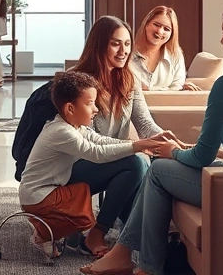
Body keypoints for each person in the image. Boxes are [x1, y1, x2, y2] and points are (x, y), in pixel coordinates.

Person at [82, 2, 223, 275]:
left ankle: (144, 265)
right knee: (157, 169)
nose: (221, 40)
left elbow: (203, 157)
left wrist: (173, 152)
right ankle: (129, 256)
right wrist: (174, 146)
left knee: (158, 170)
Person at [19, 71, 167, 257]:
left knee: (133, 163)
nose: (96, 109)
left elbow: (101, 141)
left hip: (50, 188)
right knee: (130, 166)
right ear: (70, 109)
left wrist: (137, 145)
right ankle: (44, 232)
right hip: (39, 196)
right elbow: (96, 153)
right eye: (90, 103)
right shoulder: (62, 132)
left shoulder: (74, 127)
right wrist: (136, 146)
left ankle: (135, 235)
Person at [66, 16, 180, 258]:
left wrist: (164, 140)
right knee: (136, 162)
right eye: (115, 44)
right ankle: (98, 232)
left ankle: (145, 236)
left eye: (127, 44)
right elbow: (89, 142)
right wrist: (135, 146)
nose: (123, 51)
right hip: (75, 166)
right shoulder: (77, 81)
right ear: (99, 44)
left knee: (156, 161)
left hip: (111, 160)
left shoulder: (128, 79)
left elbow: (145, 123)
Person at [130, 6, 198, 91]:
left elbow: (176, 88)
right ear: (146, 24)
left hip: (166, 104)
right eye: (156, 25)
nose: (160, 31)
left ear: (172, 34)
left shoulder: (175, 55)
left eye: (166, 29)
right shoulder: (127, 52)